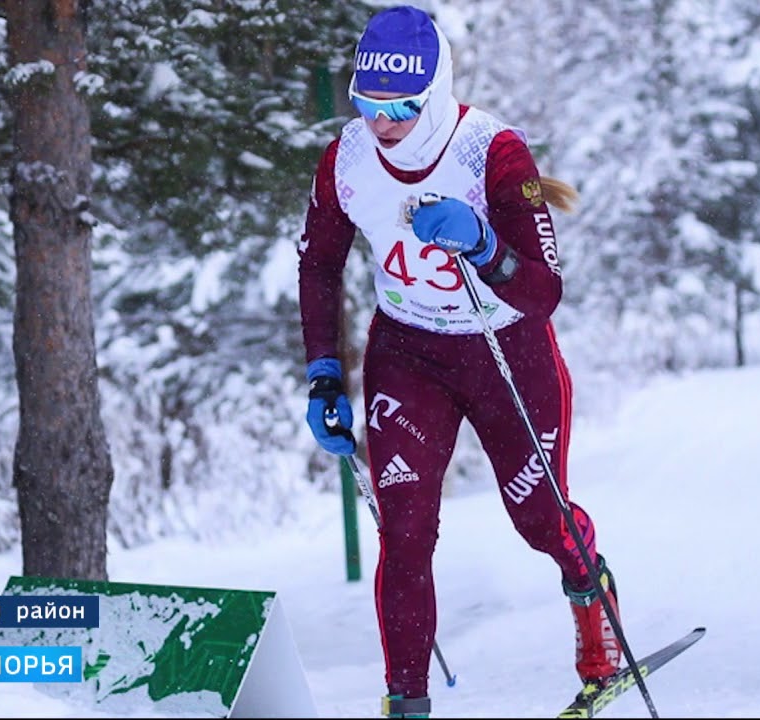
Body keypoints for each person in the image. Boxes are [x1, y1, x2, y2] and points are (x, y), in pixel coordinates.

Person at [296, 6, 620, 717]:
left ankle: (598, 630)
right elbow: (319, 265)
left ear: (435, 93)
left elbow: (542, 291)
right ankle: (405, 702)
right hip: (410, 353)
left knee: (540, 518)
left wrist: (482, 244)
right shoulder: (347, 158)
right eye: (367, 104)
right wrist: (323, 372)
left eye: (401, 109)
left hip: (507, 349)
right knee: (405, 532)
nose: (382, 124)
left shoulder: (492, 151)